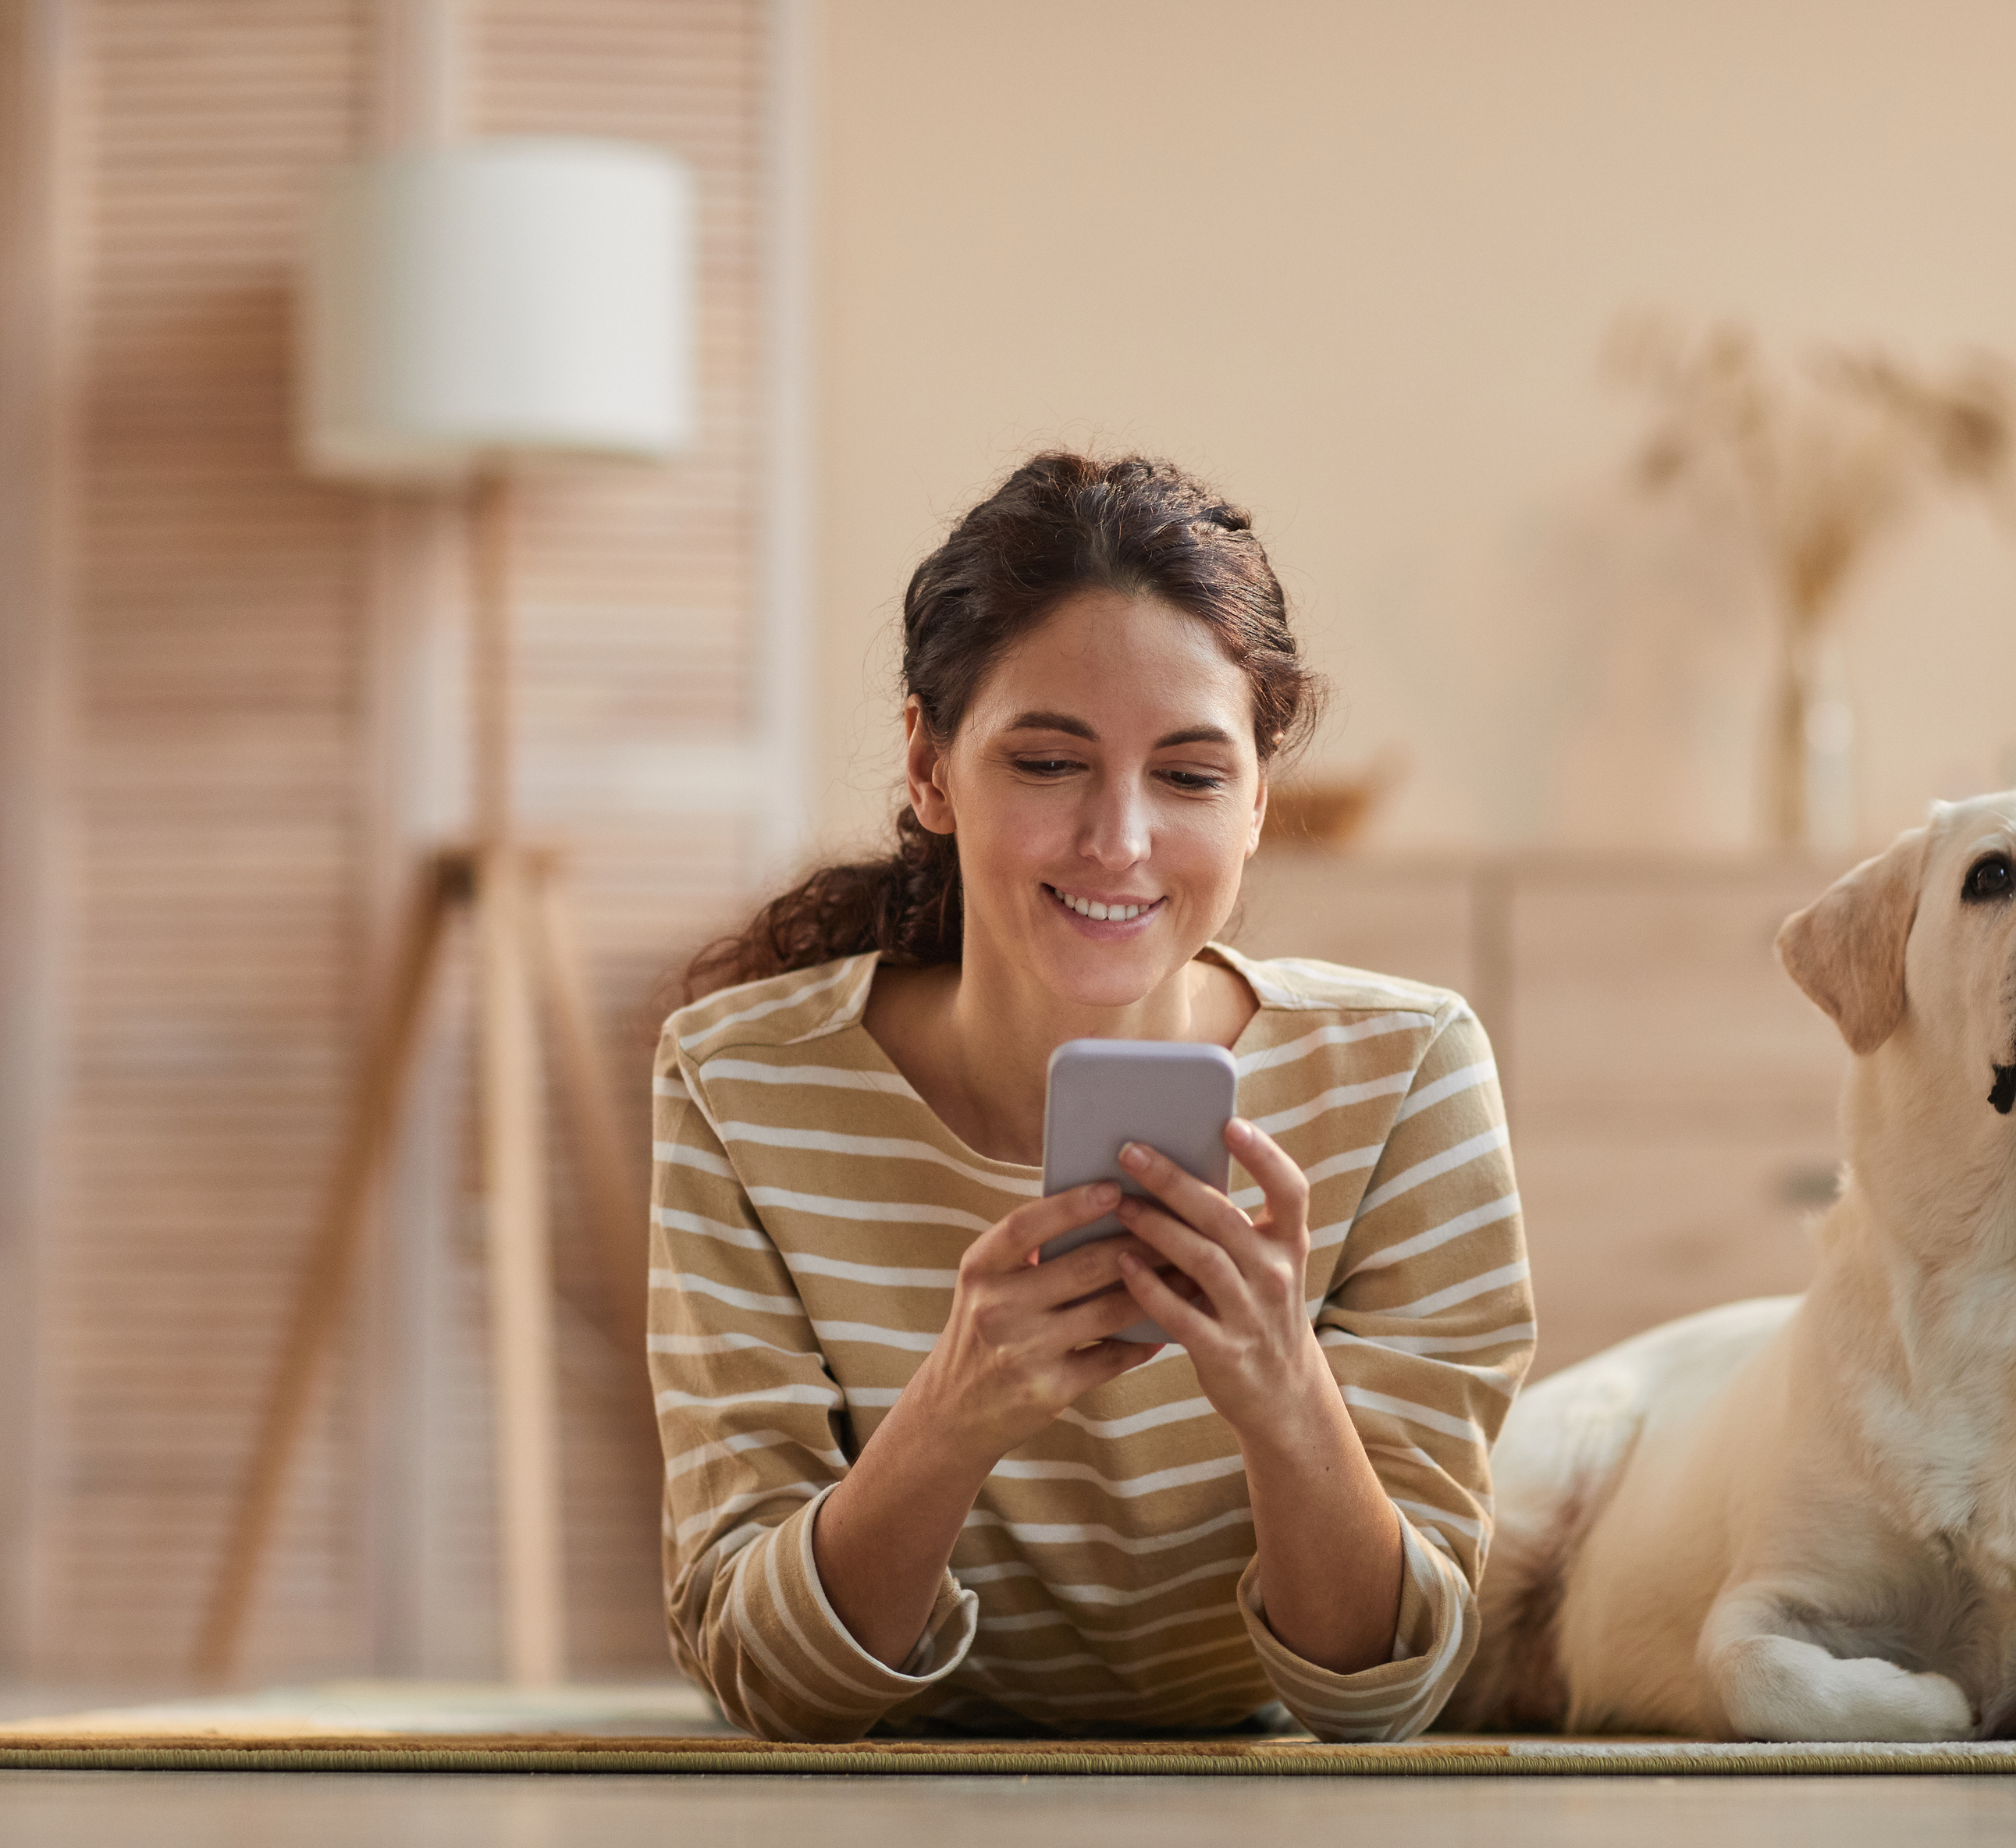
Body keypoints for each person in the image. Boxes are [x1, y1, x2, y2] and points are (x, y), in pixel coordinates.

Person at [650, 452, 1533, 1740]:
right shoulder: (740, 1084)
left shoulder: (1403, 1079)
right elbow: (767, 1680)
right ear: (930, 766)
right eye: (1051, 763)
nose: (1118, 842)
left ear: (1257, 802)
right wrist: (951, 1414)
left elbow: (1388, 1689)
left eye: (1188, 776)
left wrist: (1287, 1397)